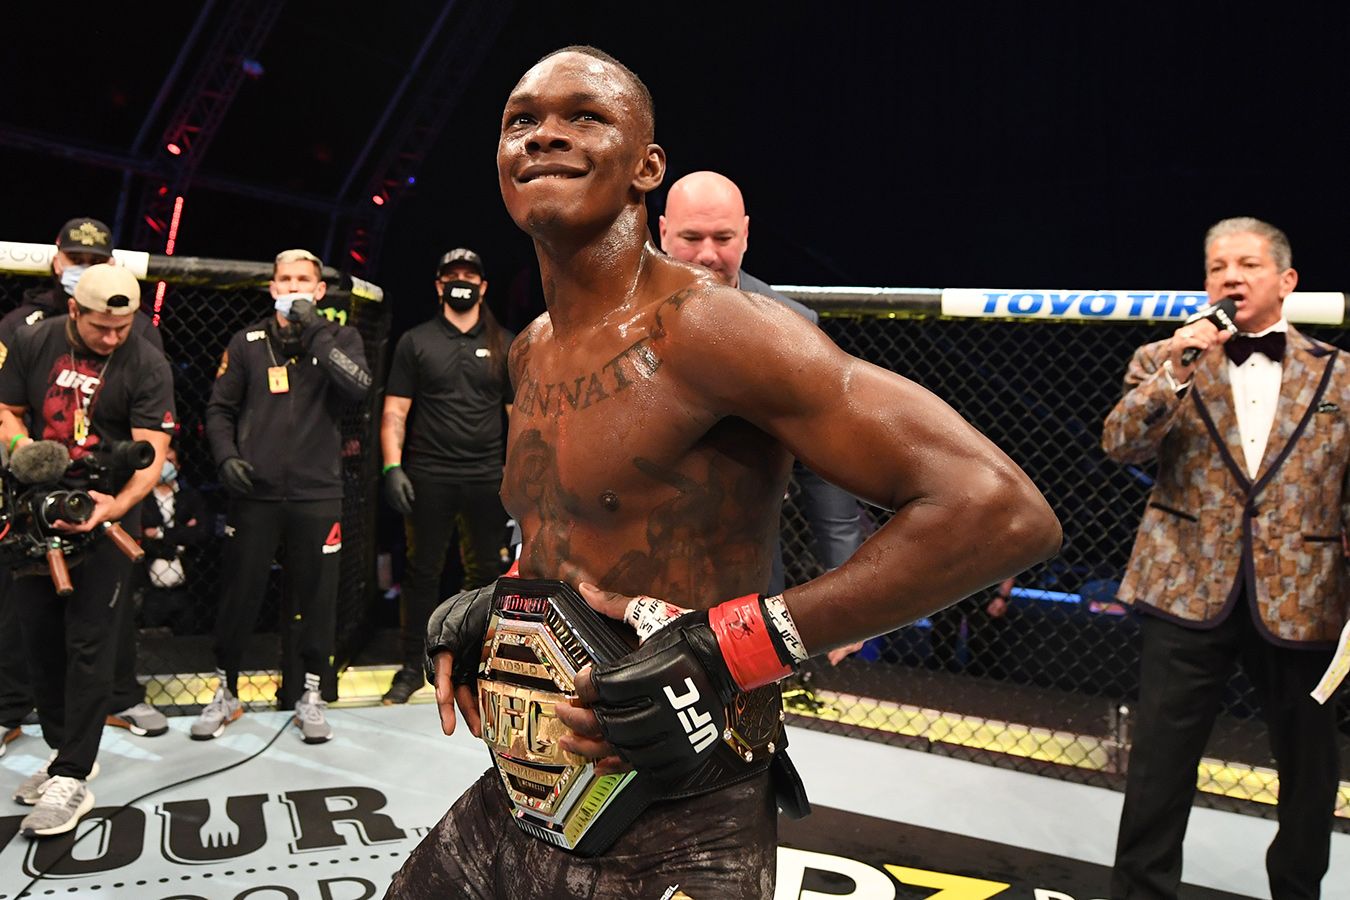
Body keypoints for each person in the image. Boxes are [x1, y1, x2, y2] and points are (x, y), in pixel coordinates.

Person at [385, 45, 1060, 898]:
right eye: (522, 120)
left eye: (584, 116)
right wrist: (502, 601)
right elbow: (579, 534)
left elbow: (1000, 510)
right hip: (530, 786)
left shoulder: (715, 329)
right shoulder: (532, 349)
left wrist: (727, 650)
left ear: (647, 168)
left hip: (682, 807)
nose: (545, 136)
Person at [1103, 217, 1345, 899]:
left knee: (1311, 772)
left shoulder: (1341, 372)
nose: (1230, 278)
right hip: (1184, 586)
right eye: (1217, 268)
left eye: (1247, 265)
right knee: (1159, 767)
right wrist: (1177, 369)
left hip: (1306, 595)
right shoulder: (1163, 358)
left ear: (1286, 280)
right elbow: (1120, 443)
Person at [0, 264, 174, 837]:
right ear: (75, 310)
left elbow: (153, 448)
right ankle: (62, 756)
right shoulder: (35, 340)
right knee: (40, 642)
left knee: (89, 645)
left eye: (123, 327)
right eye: (102, 327)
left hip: (106, 517)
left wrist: (115, 506)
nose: (113, 337)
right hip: (35, 511)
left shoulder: (145, 360)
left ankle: (74, 773)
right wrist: (23, 450)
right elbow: (6, 410)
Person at [659, 170, 868, 603]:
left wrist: (845, 578)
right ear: (663, 233)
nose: (707, 255)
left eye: (723, 238)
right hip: (636, 550)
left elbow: (822, 463)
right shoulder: (618, 320)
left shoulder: (790, 327)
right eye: (691, 237)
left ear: (746, 235)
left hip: (748, 562)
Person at [197, 249, 371, 744]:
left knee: (319, 596)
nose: (293, 287)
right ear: (272, 287)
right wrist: (226, 457)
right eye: (285, 279)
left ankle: (311, 694)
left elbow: (358, 387)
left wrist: (314, 329)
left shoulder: (340, 338)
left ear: (319, 290)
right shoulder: (248, 342)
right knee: (239, 593)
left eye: (303, 280)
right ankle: (226, 690)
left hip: (318, 492)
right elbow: (219, 408)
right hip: (255, 492)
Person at [380, 247, 513, 704]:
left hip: (486, 476)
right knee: (422, 572)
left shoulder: (504, 342)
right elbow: (395, 412)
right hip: (429, 474)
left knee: (486, 575)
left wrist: (519, 474)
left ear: (483, 286)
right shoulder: (415, 341)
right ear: (439, 285)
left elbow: (518, 417)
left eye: (469, 275)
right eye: (452, 275)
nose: (461, 282)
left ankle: (476, 667)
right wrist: (392, 467)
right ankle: (410, 667)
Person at [137, 443, 210, 633]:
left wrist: (159, 534)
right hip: (150, 589)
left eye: (169, 460)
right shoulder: (142, 501)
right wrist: (181, 535)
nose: (165, 466)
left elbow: (202, 533)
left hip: (187, 588)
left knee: (188, 637)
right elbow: (140, 540)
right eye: (160, 461)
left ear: (177, 465)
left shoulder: (190, 497)